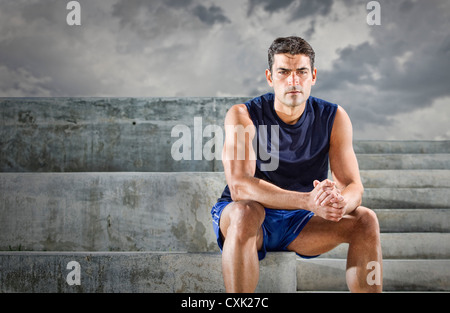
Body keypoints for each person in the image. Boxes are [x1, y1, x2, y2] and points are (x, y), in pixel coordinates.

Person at [211, 36, 382, 293]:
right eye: (283, 72)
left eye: (301, 72)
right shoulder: (243, 115)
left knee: (366, 219)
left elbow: (353, 185)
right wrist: (307, 201)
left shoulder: (333, 117)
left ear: (313, 75)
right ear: (270, 77)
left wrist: (337, 204)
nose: (293, 81)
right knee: (245, 212)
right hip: (250, 219)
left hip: (301, 223)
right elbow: (240, 188)